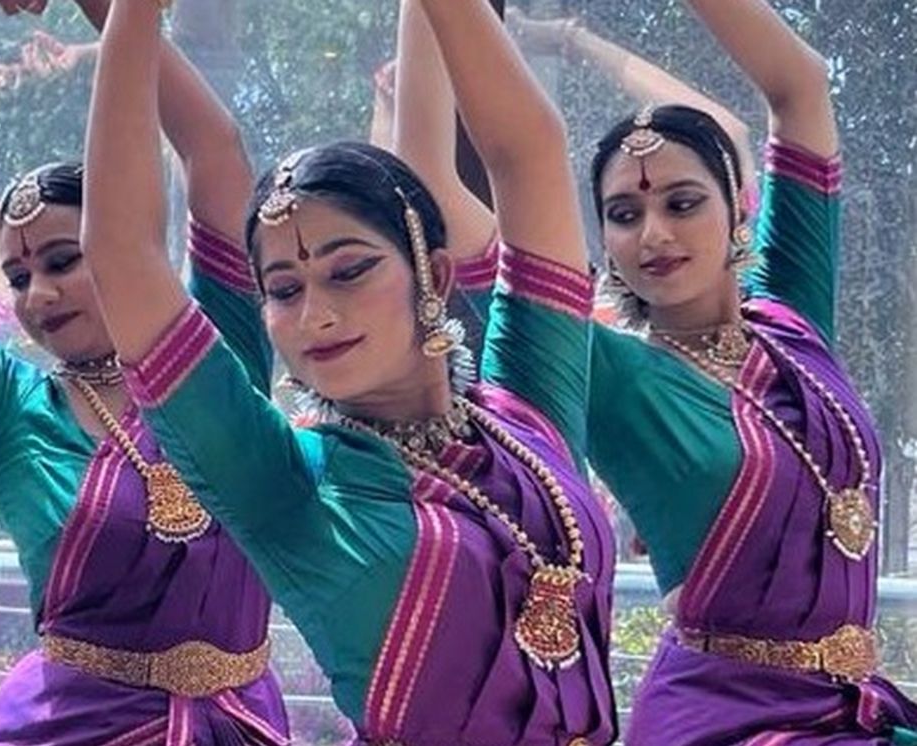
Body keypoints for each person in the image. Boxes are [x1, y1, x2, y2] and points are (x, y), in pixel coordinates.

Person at [78, 0, 617, 742]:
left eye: (350, 271)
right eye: (284, 291)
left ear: (433, 274)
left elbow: (530, 152)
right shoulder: (287, 482)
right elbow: (122, 253)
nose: (316, 316)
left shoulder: (529, 406)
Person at [0, 0, 288, 742]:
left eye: (63, 261)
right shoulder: (0, 406)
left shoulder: (216, 352)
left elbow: (215, 150)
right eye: (17, 277)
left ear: (120, 244)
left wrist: (114, 9)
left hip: (242, 724)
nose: (38, 295)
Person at [581, 0, 917, 742]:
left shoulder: (790, 316)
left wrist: (574, 41)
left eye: (682, 203)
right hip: (723, 720)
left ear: (738, 210)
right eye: (624, 215)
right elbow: (496, 202)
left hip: (846, 710)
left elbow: (798, 85)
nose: (655, 233)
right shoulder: (610, 374)